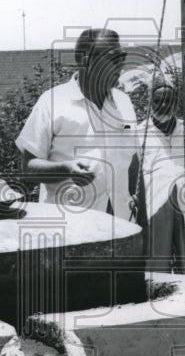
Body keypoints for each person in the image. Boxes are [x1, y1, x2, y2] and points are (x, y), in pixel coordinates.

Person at [15, 28, 137, 217]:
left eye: (122, 57)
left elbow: (132, 161)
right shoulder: (52, 102)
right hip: (72, 227)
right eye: (114, 58)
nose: (120, 65)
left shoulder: (124, 102)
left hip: (121, 222)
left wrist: (141, 214)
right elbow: (28, 168)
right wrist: (66, 168)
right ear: (86, 60)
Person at [130, 71, 185, 272]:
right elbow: (132, 173)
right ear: (149, 102)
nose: (163, 106)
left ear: (176, 102)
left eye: (169, 101)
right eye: (157, 101)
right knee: (156, 269)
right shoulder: (139, 134)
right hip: (154, 206)